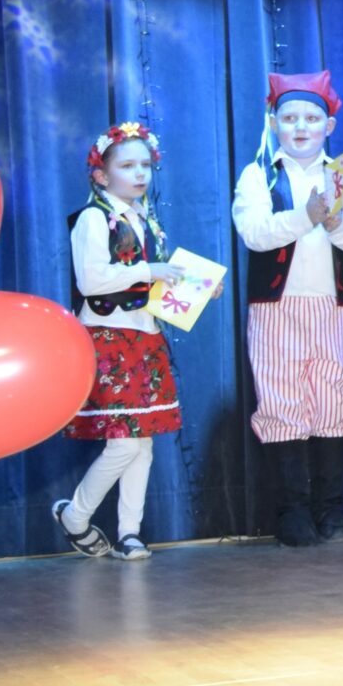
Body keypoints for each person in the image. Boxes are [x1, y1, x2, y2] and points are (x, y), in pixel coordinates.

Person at [54, 121, 220, 561]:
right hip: (108, 336)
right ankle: (74, 515)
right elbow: (92, 280)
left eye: (145, 165)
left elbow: (153, 286)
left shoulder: (145, 217)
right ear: (101, 175)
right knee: (125, 441)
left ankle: (130, 532)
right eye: (127, 166)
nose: (140, 173)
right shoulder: (94, 218)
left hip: (145, 335)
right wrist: (150, 270)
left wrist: (198, 287)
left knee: (142, 441)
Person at [231, 71, 343, 547]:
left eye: (312, 119)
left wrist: (338, 227)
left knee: (333, 399)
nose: (300, 127)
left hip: (334, 307)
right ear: (273, 123)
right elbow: (254, 233)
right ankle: (292, 511)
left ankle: (330, 508)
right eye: (290, 117)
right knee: (281, 401)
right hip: (276, 308)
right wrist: (305, 217)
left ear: (329, 126)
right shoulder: (259, 175)